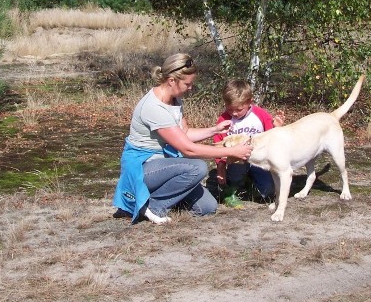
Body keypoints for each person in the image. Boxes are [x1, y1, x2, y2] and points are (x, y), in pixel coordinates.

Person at [112, 53, 253, 225]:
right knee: (197, 168)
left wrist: (214, 129)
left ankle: (158, 199)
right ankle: (152, 206)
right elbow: (188, 149)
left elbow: (184, 133)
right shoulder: (154, 108)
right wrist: (231, 151)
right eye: (187, 83)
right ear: (172, 80)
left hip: (166, 166)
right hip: (143, 168)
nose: (191, 87)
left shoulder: (175, 100)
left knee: (207, 207)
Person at [211, 79, 284, 208]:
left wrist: (277, 128)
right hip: (236, 160)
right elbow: (219, 144)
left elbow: (271, 137)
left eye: (239, 109)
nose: (234, 113)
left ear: (249, 102)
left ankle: (252, 183)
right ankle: (232, 190)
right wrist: (220, 167)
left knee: (267, 191)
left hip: (259, 159)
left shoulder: (260, 115)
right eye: (230, 109)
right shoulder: (224, 119)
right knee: (235, 172)